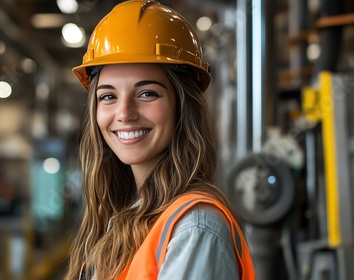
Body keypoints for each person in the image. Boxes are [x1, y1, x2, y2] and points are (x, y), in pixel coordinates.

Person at [65, 1, 255, 279]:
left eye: (147, 94)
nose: (124, 114)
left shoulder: (193, 227)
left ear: (182, 106)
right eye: (108, 96)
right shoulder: (126, 220)